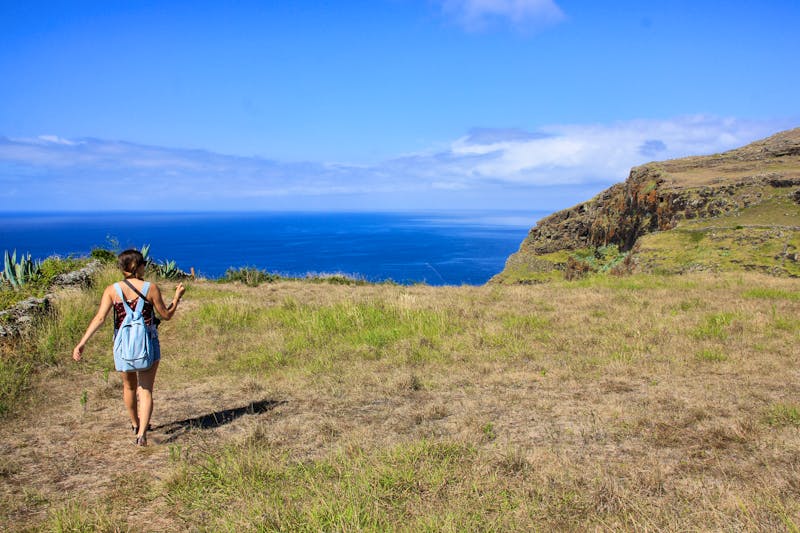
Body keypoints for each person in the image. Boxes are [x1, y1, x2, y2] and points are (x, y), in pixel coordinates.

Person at [73, 249, 185, 446]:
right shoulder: (150, 288)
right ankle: (142, 434)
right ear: (137, 266)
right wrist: (177, 297)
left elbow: (100, 318)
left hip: (123, 345)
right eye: (143, 264)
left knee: (129, 387)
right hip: (148, 342)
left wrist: (82, 343)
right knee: (146, 389)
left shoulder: (112, 290)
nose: (145, 268)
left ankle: (135, 424)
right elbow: (166, 315)